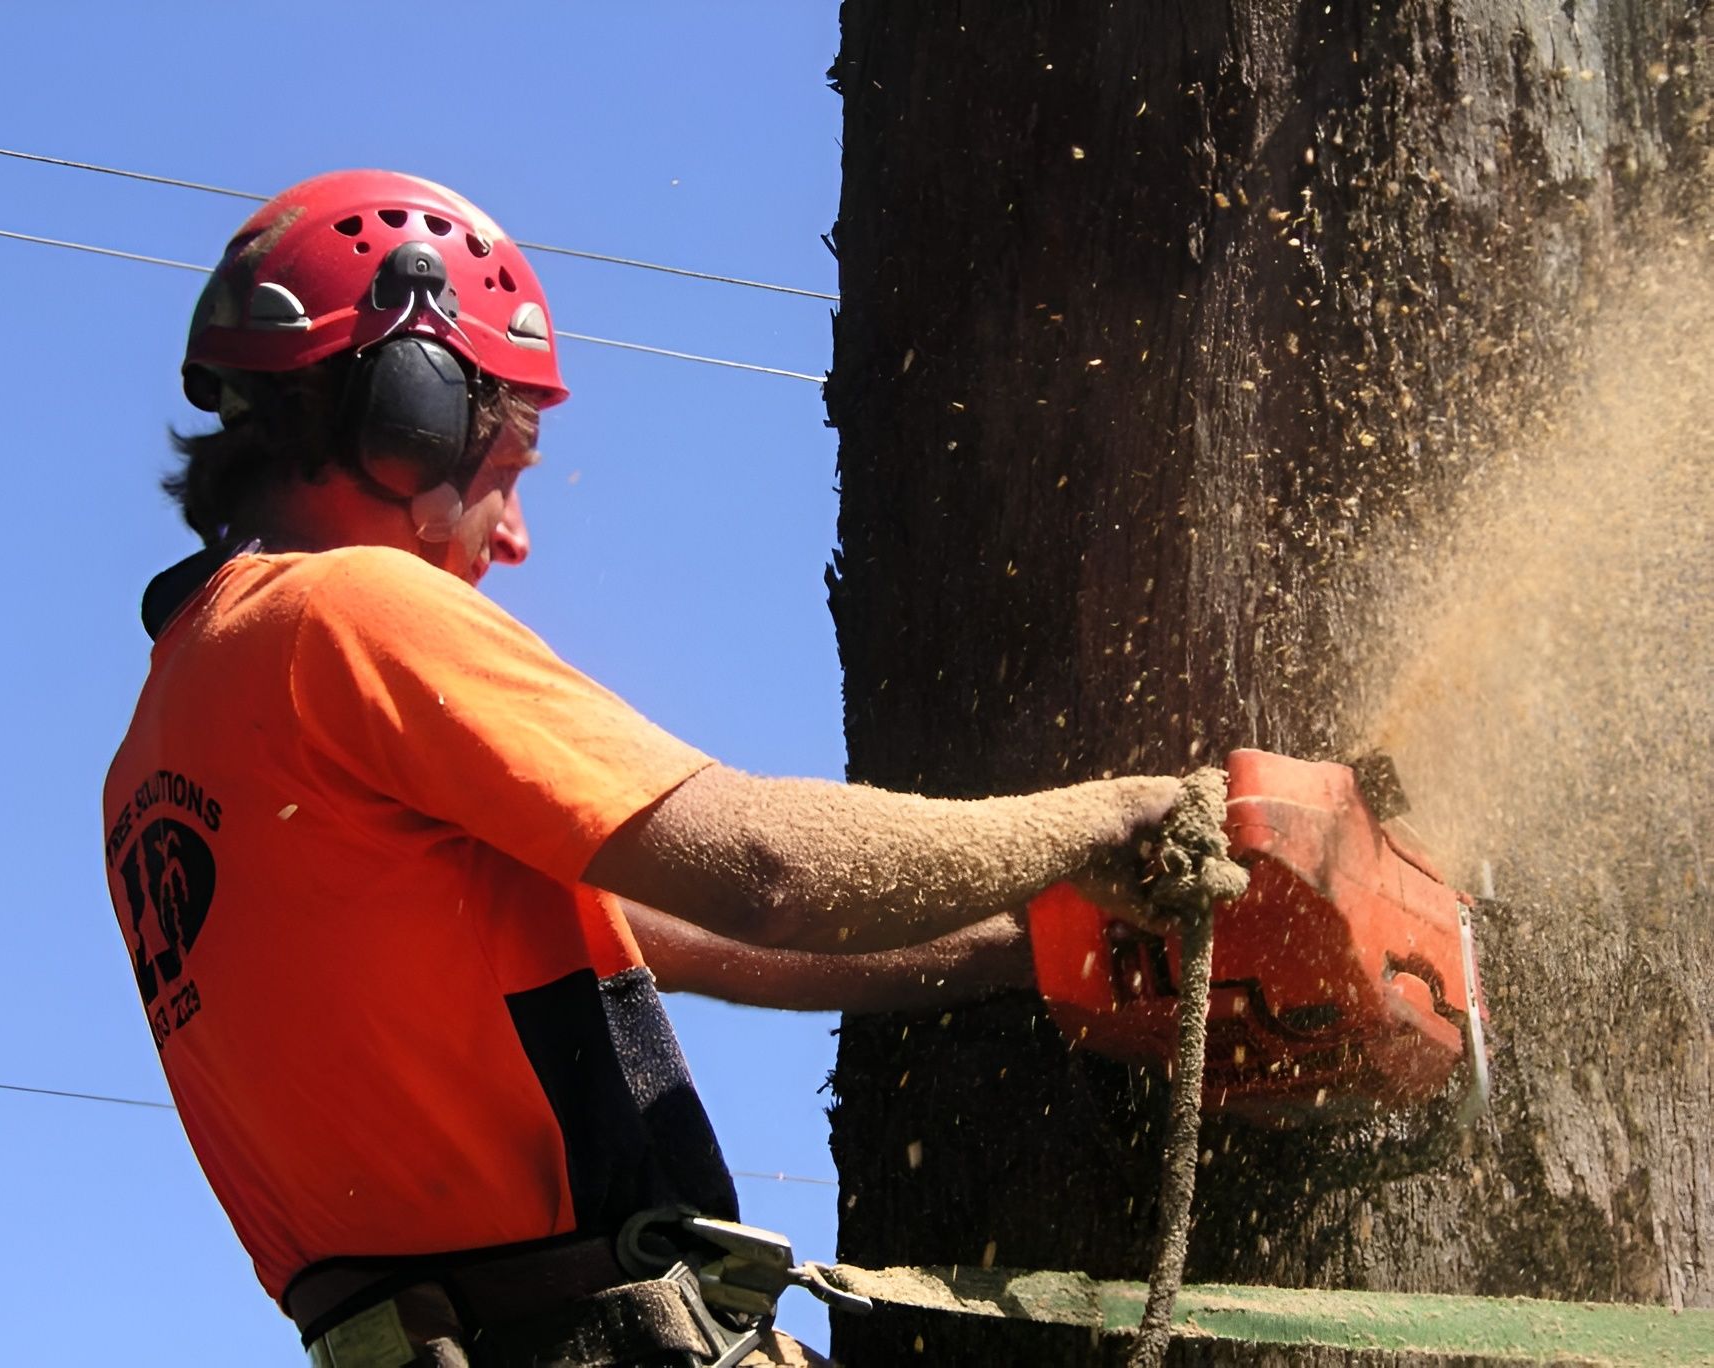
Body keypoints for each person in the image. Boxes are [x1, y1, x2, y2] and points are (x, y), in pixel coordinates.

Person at [102, 169, 1181, 1368]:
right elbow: (763, 869)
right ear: (412, 411)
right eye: (507, 457)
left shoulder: (172, 733)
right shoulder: (347, 615)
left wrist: (1043, 945)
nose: (513, 534)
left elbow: (694, 934)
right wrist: (1120, 823)